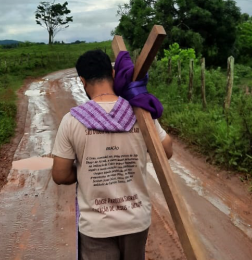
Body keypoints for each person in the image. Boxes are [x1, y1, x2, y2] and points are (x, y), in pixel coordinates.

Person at [51, 49, 173, 260]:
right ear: (114, 75)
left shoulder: (72, 121)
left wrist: (85, 171)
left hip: (97, 226)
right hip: (136, 220)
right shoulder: (140, 113)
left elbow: (60, 175)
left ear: (82, 80)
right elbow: (167, 150)